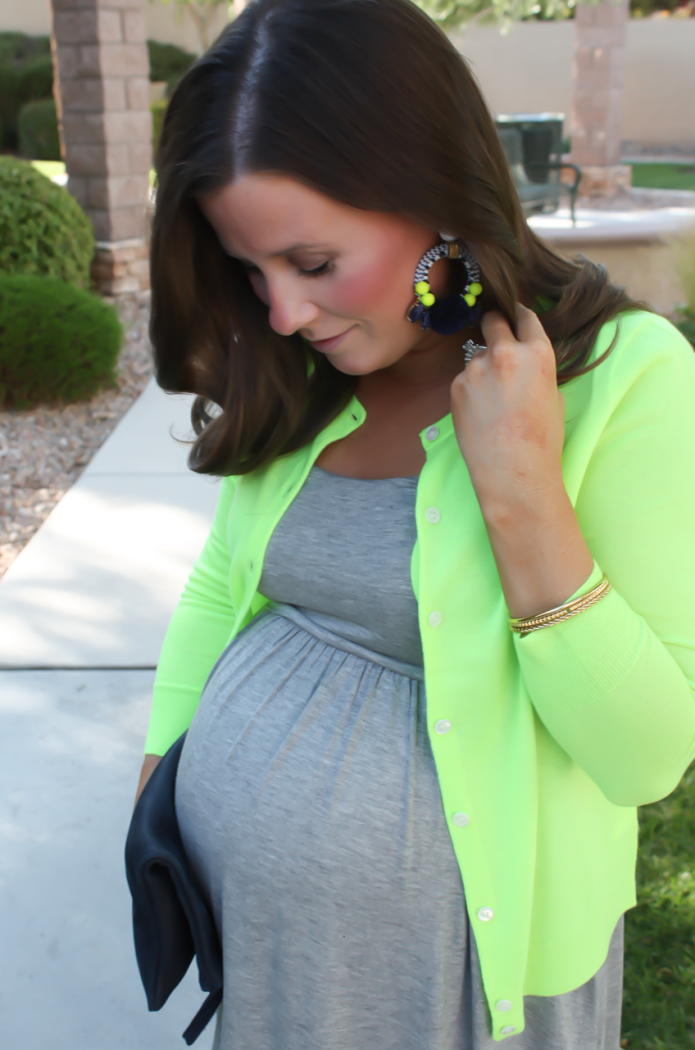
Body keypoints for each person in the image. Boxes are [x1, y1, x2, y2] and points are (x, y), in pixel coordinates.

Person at [135, 0, 695, 1045]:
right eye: (250, 271)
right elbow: (224, 579)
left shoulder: (627, 381)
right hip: (265, 949)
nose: (284, 314)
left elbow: (645, 756)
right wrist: (166, 762)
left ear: (435, 194)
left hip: (460, 979)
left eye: (311, 263)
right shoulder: (305, 370)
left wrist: (520, 489)